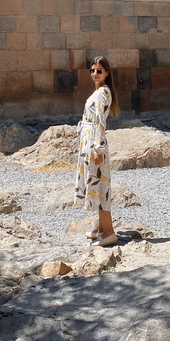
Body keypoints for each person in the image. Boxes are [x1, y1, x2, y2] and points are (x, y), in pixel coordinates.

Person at [73, 55, 120, 246]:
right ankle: (102, 229)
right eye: (92, 70)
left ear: (106, 73)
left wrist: (98, 149)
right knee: (97, 186)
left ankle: (108, 232)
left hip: (94, 143)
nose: (94, 74)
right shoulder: (100, 91)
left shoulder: (102, 93)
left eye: (99, 71)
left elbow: (100, 122)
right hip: (90, 141)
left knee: (101, 188)